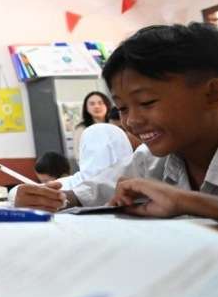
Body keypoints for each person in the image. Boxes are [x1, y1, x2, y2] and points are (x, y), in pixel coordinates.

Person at [15, 23, 218, 214]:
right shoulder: (153, 159)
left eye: (147, 102)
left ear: (212, 94)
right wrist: (52, 198)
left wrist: (186, 202)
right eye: (122, 108)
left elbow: (182, 202)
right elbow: (95, 190)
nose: (131, 121)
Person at [72, 91, 112, 161]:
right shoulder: (81, 129)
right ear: (86, 108)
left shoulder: (115, 125)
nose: (96, 106)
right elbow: (78, 155)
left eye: (100, 103)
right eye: (92, 104)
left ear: (107, 105)